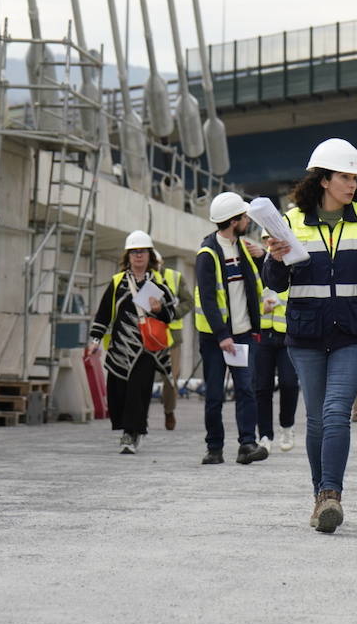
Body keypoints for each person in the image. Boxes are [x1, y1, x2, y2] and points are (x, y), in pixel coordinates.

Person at [264, 138, 357, 534]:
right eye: (345, 177)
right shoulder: (289, 222)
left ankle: (331, 494)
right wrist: (273, 259)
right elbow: (275, 283)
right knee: (315, 420)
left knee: (334, 412)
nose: (352, 185)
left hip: (354, 334)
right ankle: (319, 497)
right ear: (323, 180)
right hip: (307, 334)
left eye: (355, 178)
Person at [86, 230, 177, 454]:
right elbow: (103, 314)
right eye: (134, 252)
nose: (138, 256)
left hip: (147, 349)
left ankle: (132, 433)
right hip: (119, 349)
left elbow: (171, 315)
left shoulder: (159, 285)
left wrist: (159, 309)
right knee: (119, 392)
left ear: (149, 256)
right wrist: (95, 340)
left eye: (142, 252)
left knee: (138, 391)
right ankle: (131, 428)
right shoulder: (117, 283)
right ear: (127, 256)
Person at [194, 192, 267, 466]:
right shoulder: (208, 253)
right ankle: (214, 448)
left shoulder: (244, 248)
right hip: (216, 338)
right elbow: (209, 299)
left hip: (243, 334)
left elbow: (255, 284)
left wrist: (263, 256)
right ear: (233, 221)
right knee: (214, 394)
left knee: (246, 389)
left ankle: (247, 444)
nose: (248, 220)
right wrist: (222, 335)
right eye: (244, 216)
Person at [253, 225, 299, 454]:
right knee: (262, 386)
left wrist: (280, 304)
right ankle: (264, 434)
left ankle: (287, 427)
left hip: (287, 335)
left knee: (290, 383)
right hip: (262, 334)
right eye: (265, 240)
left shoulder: (292, 264)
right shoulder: (257, 267)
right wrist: (261, 306)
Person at [158, 256, 194, 431]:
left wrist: (174, 313)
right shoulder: (141, 278)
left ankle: (169, 411)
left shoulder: (174, 277)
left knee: (171, 378)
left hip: (171, 336)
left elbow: (189, 301)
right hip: (146, 335)